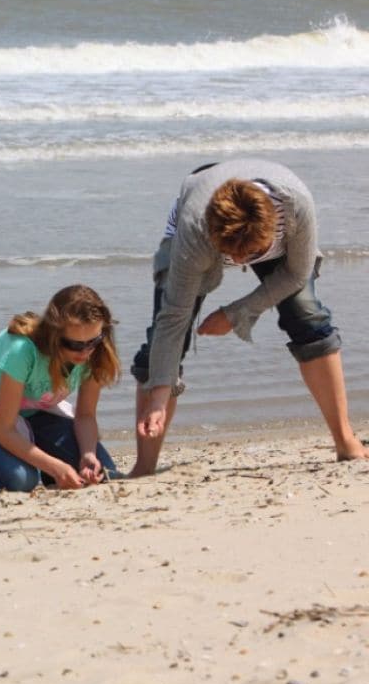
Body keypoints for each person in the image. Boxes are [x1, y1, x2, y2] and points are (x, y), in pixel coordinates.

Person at [130, 158, 368, 476]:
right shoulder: (195, 231)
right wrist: (159, 397)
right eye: (232, 254)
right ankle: (144, 467)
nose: (240, 262)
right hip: (200, 224)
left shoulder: (296, 206)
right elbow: (173, 318)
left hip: (274, 229)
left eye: (250, 254)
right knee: (163, 336)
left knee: (308, 318)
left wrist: (235, 313)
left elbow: (296, 274)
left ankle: (345, 441)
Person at [0, 284, 120, 493]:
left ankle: (39, 464)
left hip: (34, 412)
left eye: (93, 341)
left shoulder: (95, 353)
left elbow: (86, 415)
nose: (86, 351)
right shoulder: (22, 351)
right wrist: (55, 466)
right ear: (54, 334)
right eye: (75, 345)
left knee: (104, 471)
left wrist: (88, 454)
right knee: (22, 481)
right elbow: (4, 431)